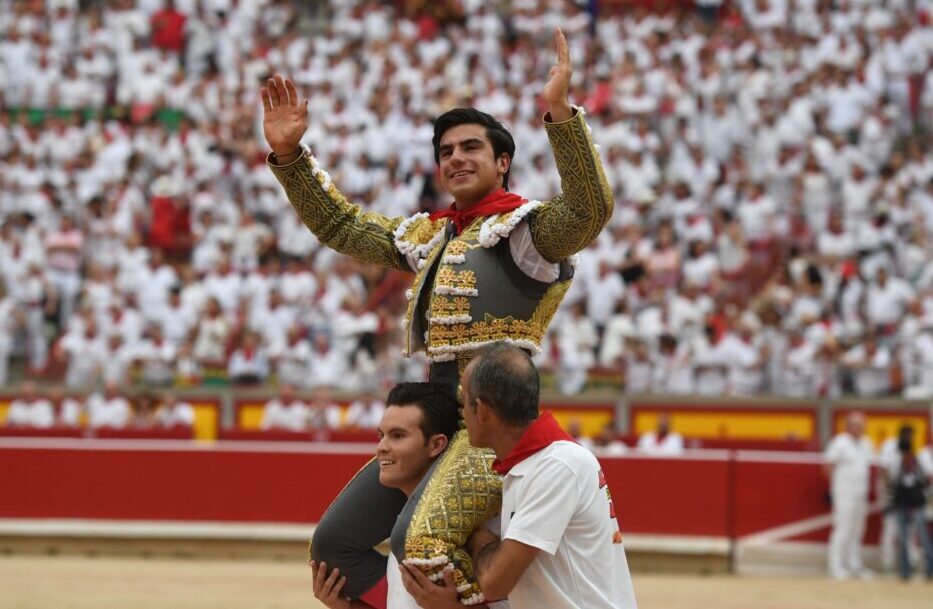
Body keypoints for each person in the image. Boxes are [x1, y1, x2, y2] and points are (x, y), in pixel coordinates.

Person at [262, 28, 614, 601]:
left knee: (421, 542)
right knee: (334, 546)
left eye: (471, 147)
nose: (456, 158)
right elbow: (341, 226)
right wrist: (289, 158)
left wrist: (560, 115)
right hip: (433, 418)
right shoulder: (433, 235)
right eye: (446, 151)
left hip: (493, 421)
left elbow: (588, 210)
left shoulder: (522, 232)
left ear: (503, 162)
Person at [399, 343, 637, 609]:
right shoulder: (535, 464)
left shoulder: (556, 466)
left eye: (464, 402)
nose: (463, 413)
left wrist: (470, 528)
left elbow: (495, 581)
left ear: (482, 410)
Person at [310, 382, 506, 609]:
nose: (381, 447)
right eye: (381, 435)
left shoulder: (482, 537)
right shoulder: (405, 537)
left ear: (436, 445)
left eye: (398, 436)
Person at [824, 411, 875, 580]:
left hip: (861, 492)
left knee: (858, 530)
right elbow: (828, 464)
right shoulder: (840, 442)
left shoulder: (866, 443)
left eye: (862, 425)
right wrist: (833, 488)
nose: (861, 428)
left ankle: (854, 564)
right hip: (844, 492)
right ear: (849, 426)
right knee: (843, 528)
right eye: (858, 425)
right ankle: (836, 565)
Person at [884, 425, 933, 581]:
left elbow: (925, 480)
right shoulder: (898, 462)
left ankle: (929, 570)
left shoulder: (916, 461)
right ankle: (905, 572)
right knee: (905, 537)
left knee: (921, 537)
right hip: (903, 503)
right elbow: (894, 484)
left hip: (916, 503)